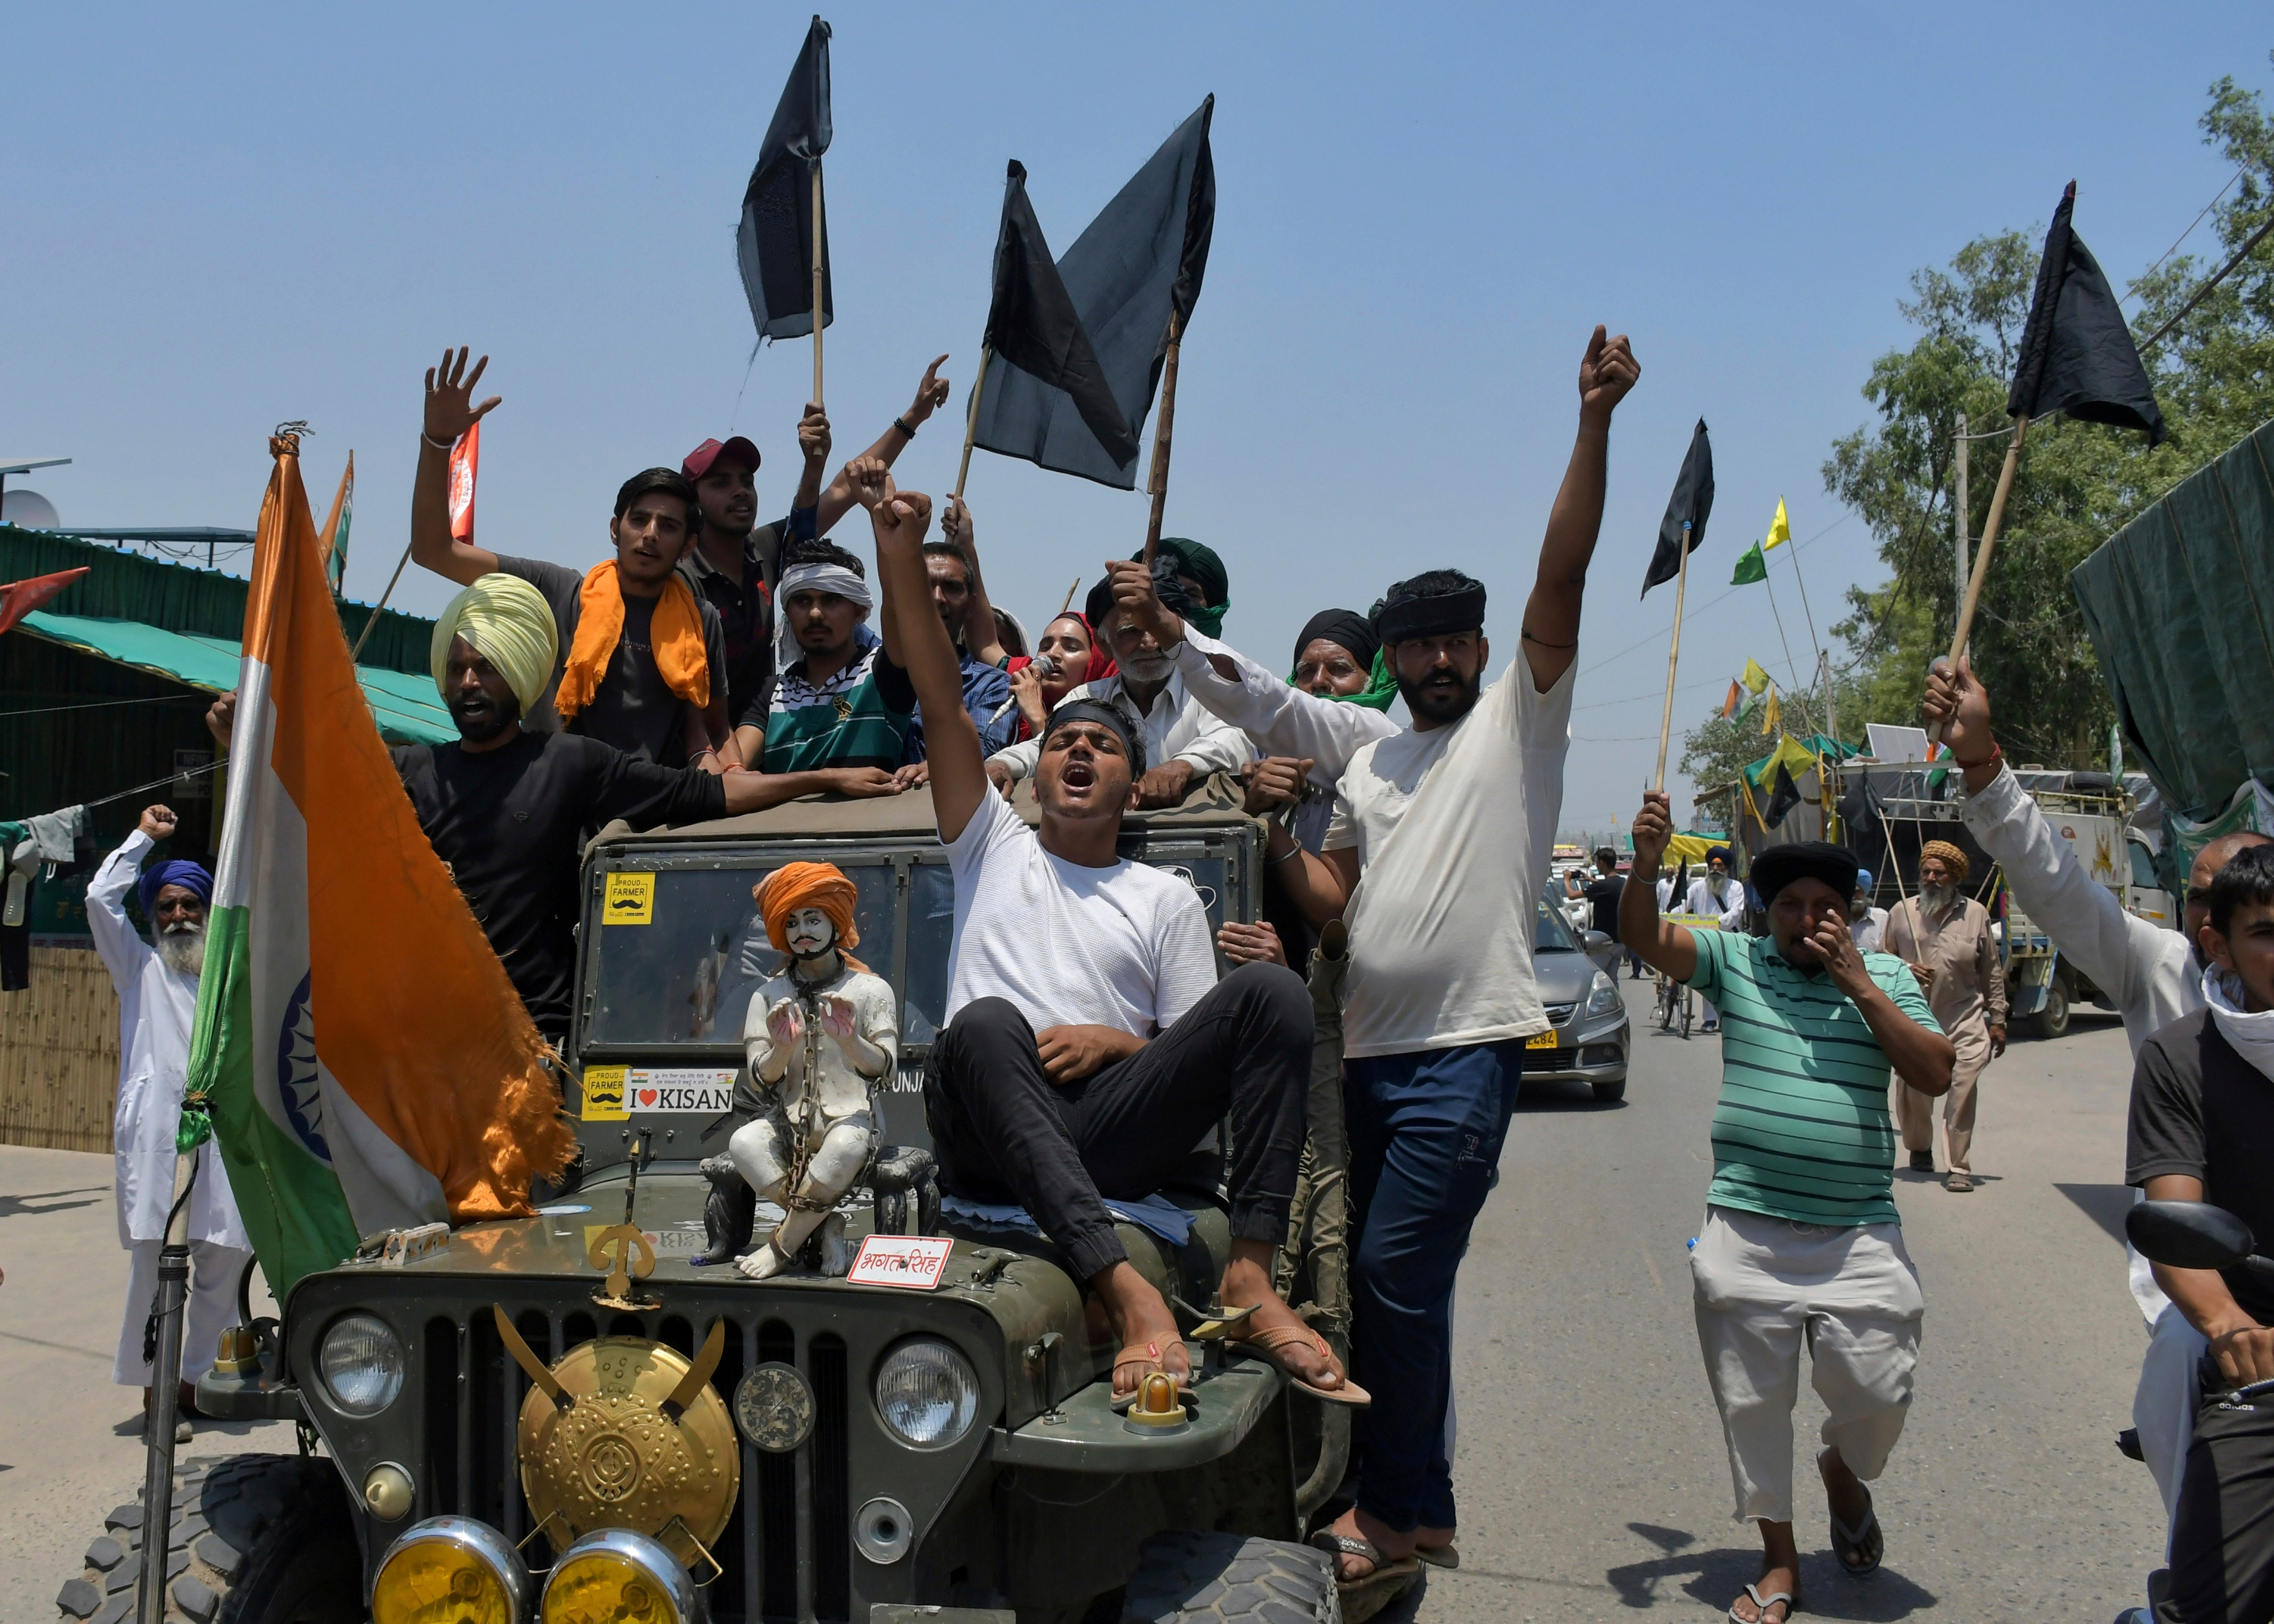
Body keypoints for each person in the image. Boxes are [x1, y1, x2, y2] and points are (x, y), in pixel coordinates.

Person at [847, 455, 1356, 1422]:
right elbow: (943, 702)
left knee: (1278, 995)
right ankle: (1130, 1296)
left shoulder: (1164, 896)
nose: (1081, 750)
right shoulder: (988, 844)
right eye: (1065, 742)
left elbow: (1187, 1049)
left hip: (1111, 1125)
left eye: (1107, 744)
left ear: (1134, 781)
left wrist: (1112, 1044)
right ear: (1037, 773)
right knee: (986, 1024)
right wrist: (900, 553)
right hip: (994, 1126)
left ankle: (1252, 1273)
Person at [1256, 325, 1641, 1598]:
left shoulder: (1515, 731)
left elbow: (1563, 574)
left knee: (1391, 1277)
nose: (1432, 661)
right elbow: (1335, 911)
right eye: (1411, 645)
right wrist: (1269, 831)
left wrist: (1589, 423)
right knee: (1383, 1295)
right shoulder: (1369, 764)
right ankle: (1408, 1510)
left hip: (1463, 1057)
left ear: (1481, 651)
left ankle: (1398, 1510)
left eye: (1450, 643)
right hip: (1365, 1059)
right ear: (1390, 658)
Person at [207, 575, 898, 1042]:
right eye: (459, 667)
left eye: (488, 666)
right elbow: (309, 813)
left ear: (524, 669)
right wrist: (246, 753)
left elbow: (708, 794)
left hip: (535, 1038)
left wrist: (825, 780)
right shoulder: (409, 774)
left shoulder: (569, 763)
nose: (471, 682)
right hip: (422, 1034)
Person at [1922, 655, 2272, 1532]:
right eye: (2201, 905)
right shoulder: (2164, 981)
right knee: (2186, 1427)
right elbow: (2055, 884)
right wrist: (1980, 763)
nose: (2206, 928)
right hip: (2208, 1297)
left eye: (2239, 912)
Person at [1620, 812, 1954, 1624]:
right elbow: (1640, 935)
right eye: (1789, 905)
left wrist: (1860, 985)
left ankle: (1844, 1470)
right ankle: (1777, 1561)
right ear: (1764, 914)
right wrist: (1642, 861)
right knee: (1751, 1406)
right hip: (1745, 1227)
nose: (1806, 919)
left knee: (1877, 1393)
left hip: (1857, 1231)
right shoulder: (1733, 963)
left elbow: (1935, 1073)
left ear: (1848, 912)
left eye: (1823, 906)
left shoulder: (1885, 975)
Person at [409, 347, 731, 769]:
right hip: (551, 806)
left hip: (651, 813)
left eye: (668, 526)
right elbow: (434, 552)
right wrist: (437, 442)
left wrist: (737, 785)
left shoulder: (700, 619)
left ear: (688, 546)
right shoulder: (558, 591)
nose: (650, 534)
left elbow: (716, 732)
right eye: (640, 520)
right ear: (616, 529)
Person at [2129, 843, 2274, 1624]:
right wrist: (2231, 1326)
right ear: (2218, 942)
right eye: (2266, 932)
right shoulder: (2178, 1055)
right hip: (2252, 1337)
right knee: (2210, 1606)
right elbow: (2173, 1217)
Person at [683, 358, 953, 756]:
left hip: (753, 741)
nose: (740, 492)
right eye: (721, 483)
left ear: (860, 610)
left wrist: (913, 417)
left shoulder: (765, 550)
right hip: (702, 746)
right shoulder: (678, 577)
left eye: (747, 481)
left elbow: (848, 485)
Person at [84, 808, 252, 1442]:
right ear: (153, 914)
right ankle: (159, 1396)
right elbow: (101, 898)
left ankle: (192, 1383)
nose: (178, 916)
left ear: (208, 910)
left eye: (190, 905)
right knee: (162, 1264)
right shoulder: (139, 968)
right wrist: (143, 841)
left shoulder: (228, 973)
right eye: (168, 906)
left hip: (224, 1135)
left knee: (226, 1256)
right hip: (160, 1138)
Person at [729, 862, 899, 1280]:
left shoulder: (872, 990)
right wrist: (783, 1049)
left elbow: (887, 1071)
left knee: (843, 1148)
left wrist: (850, 1041)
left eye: (812, 918)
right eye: (790, 922)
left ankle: (782, 1246)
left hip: (854, 1120)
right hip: (789, 1123)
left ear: (835, 922)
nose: (801, 930)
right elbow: (760, 1078)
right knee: (744, 1142)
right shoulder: (766, 996)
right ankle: (826, 1224)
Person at [984, 567, 1251, 809]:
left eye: (1158, 629)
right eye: (1131, 632)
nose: (1149, 643)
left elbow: (1235, 739)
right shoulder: (1086, 699)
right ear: (1104, 643)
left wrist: (1184, 766)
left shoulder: (1209, 688)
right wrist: (1003, 763)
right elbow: (1045, 746)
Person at [1880, 840, 2006, 1192]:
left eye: (1940, 872)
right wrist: (1906, 969)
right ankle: (1920, 1148)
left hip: (1964, 1019)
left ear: (1955, 877)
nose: (1932, 878)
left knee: (1962, 1091)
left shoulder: (1977, 914)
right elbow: (1881, 962)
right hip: (1915, 1021)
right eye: (1927, 872)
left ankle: (1959, 1166)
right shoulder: (1901, 912)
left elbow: (1991, 972)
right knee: (1915, 1091)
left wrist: (1998, 1019)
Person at [759, 541, 926, 776]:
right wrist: (827, 781)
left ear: (858, 611)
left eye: (831, 600)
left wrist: (885, 528)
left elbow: (898, 601)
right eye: (802, 601)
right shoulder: (772, 694)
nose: (815, 613)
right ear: (787, 611)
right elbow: (734, 769)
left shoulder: (883, 674)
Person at [900, 526, 1014, 761]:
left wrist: (936, 769)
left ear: (971, 605)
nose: (938, 598)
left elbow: (983, 749)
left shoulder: (991, 685)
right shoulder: (873, 673)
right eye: (925, 584)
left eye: (952, 588)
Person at [1687, 847, 1747, 1032]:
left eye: (1719, 865)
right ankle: (1710, 1020)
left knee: (1730, 980)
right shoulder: (1696, 888)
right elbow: (1684, 908)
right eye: (1712, 864)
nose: (1715, 868)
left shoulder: (1736, 887)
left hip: (1729, 938)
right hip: (1703, 939)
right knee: (1708, 978)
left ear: (1726, 868)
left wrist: (1713, 924)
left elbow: (1735, 914)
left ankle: (1729, 1016)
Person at [1849, 870, 1888, 954]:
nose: (1852, 897)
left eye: (1856, 892)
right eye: (1849, 892)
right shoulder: (1838, 919)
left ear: (1865, 893)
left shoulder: (1882, 918)